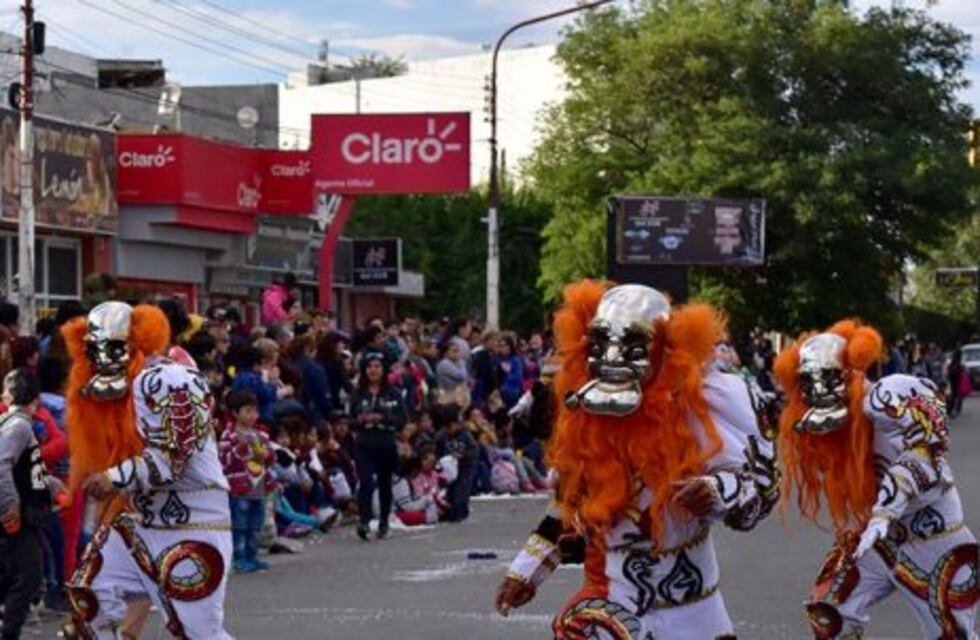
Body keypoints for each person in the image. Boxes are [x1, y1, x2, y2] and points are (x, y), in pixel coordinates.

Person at [494, 282, 778, 638]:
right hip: (614, 599)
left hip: (692, 608)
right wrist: (526, 569)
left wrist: (716, 489)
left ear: (662, 351)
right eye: (600, 344)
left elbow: (758, 489)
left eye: (631, 346)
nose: (612, 359)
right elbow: (570, 503)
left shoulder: (699, 408)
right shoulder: (587, 416)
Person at [775, 321, 978, 638]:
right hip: (879, 542)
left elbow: (926, 451)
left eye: (827, 377)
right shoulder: (827, 422)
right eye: (808, 382)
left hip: (935, 540)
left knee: (952, 635)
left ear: (847, 372)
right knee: (830, 613)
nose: (818, 390)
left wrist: (886, 509)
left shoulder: (886, 396)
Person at [63, 302, 233, 639]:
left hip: (192, 522)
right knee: (88, 600)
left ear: (137, 342)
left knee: (199, 633)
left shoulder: (169, 379)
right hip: (138, 522)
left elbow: (173, 461)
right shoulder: (118, 390)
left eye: (113, 348)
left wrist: (113, 478)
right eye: (94, 350)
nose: (102, 359)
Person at [0, 369, 53, 640]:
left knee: (17, 576)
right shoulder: (19, 425)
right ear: (36, 398)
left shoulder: (12, 423)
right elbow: (2, 464)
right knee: (27, 577)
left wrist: (53, 485)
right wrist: (10, 507)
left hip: (22, 514)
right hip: (18, 516)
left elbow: (28, 468)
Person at [350, 352, 408, 541]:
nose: (373, 371)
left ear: (383, 370)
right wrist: (360, 419)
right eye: (369, 367)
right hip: (364, 442)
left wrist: (384, 417)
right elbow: (349, 419)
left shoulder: (393, 393)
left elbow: (402, 419)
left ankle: (383, 520)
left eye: (377, 367)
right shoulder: (358, 393)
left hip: (385, 441)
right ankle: (364, 520)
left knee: (385, 483)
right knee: (365, 482)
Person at [219, 390, 275, 573]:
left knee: (256, 523)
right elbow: (225, 461)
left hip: (258, 485)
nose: (253, 415)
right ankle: (239, 557)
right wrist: (242, 448)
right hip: (239, 488)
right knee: (240, 524)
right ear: (235, 413)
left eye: (255, 411)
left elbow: (271, 457)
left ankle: (252, 555)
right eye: (248, 411)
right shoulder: (228, 436)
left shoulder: (261, 434)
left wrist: (266, 454)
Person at [946, 349, 971, 419]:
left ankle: (952, 410)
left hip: (954, 381)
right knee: (954, 397)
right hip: (956, 382)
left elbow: (950, 373)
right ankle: (952, 410)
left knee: (953, 397)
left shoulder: (954, 363)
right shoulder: (958, 363)